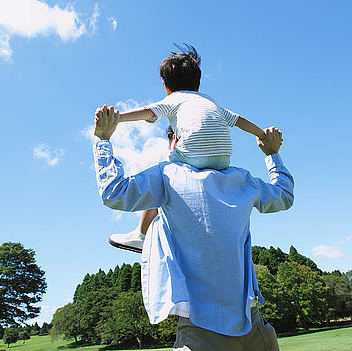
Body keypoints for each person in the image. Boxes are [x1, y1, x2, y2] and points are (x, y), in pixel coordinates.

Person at [93, 105, 294, 351]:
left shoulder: (168, 174)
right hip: (255, 326)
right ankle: (141, 235)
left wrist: (103, 139)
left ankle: (141, 236)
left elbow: (114, 192)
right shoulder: (242, 180)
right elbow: (284, 195)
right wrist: (272, 154)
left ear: (178, 141)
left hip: (201, 331)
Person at [108, 44, 267, 252]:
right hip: (223, 159)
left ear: (166, 87)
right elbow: (239, 121)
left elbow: (147, 112)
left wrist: (117, 118)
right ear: (197, 83)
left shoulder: (174, 99)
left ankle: (141, 233)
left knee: (161, 177)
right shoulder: (211, 102)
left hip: (193, 156)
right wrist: (262, 134)